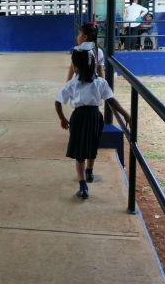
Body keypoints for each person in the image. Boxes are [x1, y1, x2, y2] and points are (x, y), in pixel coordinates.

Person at [55, 50, 130, 199]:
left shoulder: (72, 84)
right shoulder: (101, 82)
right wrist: (125, 113)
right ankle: (89, 171)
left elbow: (58, 101)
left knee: (79, 151)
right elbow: (111, 100)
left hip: (78, 117)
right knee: (92, 144)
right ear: (94, 65)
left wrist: (62, 119)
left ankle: (83, 186)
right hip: (95, 116)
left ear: (75, 67)